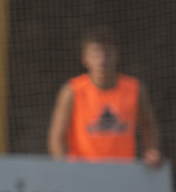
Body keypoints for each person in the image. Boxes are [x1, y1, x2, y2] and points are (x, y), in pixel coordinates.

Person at [47, 28, 163, 167]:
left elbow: (148, 126)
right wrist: (64, 168)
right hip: (83, 172)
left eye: (107, 53)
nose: (102, 60)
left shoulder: (134, 89)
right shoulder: (72, 91)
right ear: (85, 58)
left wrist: (151, 151)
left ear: (116, 55)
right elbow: (57, 137)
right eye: (95, 54)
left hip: (123, 171)